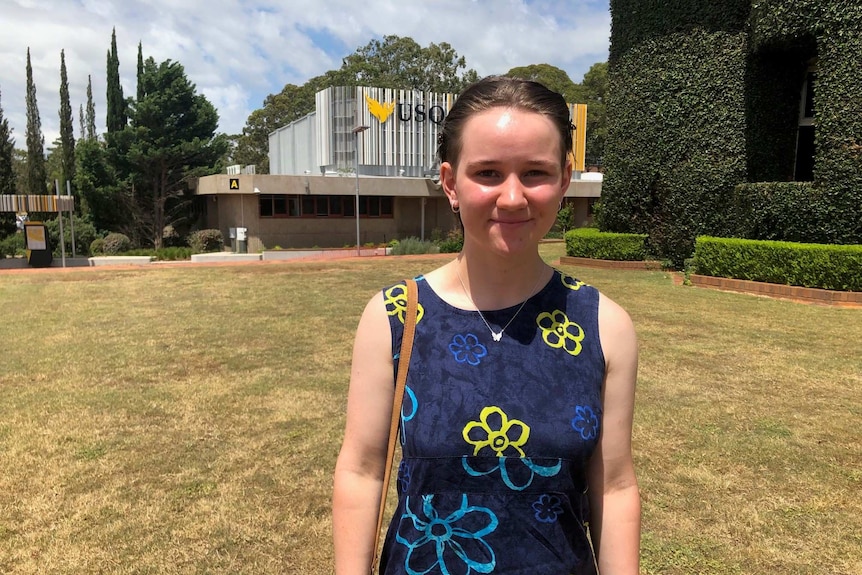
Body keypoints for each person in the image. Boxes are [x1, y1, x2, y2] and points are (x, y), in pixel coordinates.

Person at [333, 76, 640, 575]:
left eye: (535, 173)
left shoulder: (605, 325)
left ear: (564, 179)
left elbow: (616, 487)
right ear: (451, 183)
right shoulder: (395, 316)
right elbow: (361, 470)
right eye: (489, 173)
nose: (513, 197)